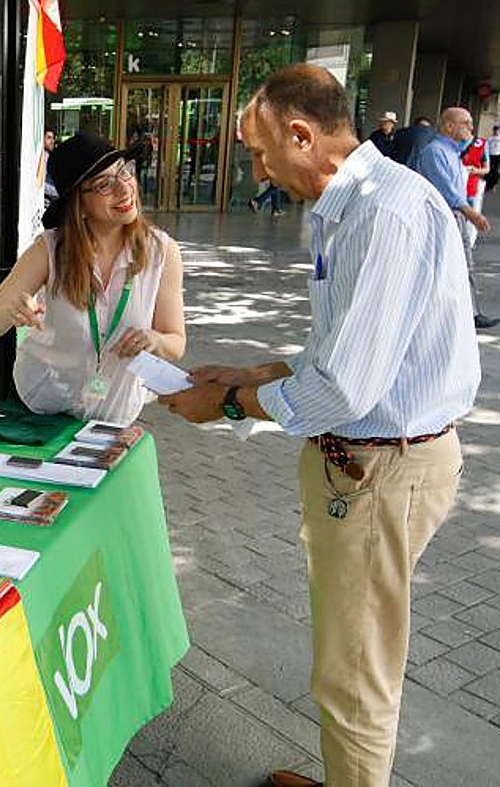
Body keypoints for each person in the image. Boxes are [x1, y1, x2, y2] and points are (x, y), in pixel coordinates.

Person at [159, 63, 479, 787]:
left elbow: (347, 385)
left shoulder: (381, 212)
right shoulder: (358, 205)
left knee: (355, 670)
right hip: (367, 461)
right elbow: (348, 351)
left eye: (260, 152)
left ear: (302, 135)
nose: (257, 169)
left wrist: (231, 406)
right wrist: (257, 374)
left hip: (383, 469)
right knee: (350, 652)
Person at [0, 133, 185, 426]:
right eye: (103, 184)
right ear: (78, 204)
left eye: (124, 172)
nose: (124, 188)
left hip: (114, 416)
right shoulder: (50, 250)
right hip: (41, 409)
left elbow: (176, 343)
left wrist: (154, 339)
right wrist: (11, 313)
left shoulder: (161, 253)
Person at [414, 107, 494, 329]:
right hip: (445, 216)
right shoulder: (435, 151)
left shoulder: (452, 151)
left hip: (456, 215)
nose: (470, 128)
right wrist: (471, 213)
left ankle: (470, 313)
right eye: (465, 123)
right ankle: (460, 314)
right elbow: (446, 188)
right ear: (449, 126)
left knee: (463, 265)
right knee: (447, 265)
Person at [462, 130, 488, 213]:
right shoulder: (452, 142)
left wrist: (476, 170)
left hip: (471, 187)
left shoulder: (481, 144)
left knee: (470, 216)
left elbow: (487, 169)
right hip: (454, 188)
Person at [486, 124, 500, 191]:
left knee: (496, 171)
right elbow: (486, 147)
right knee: (489, 170)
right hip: (490, 155)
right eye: (495, 130)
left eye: (497, 130)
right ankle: (487, 184)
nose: (496, 132)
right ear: (493, 131)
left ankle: (493, 185)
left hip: (497, 156)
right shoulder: (490, 138)